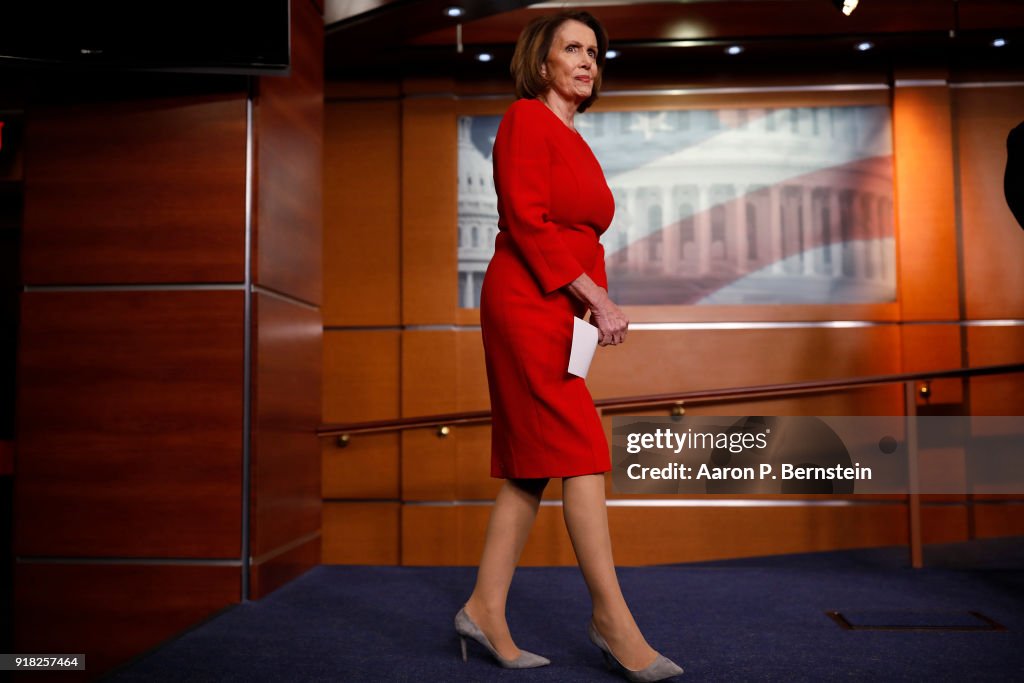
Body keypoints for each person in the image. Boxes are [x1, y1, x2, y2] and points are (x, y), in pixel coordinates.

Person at [453, 11, 684, 682]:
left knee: (533, 463)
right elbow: (526, 221)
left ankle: (484, 608)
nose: (587, 59)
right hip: (525, 300)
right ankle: (611, 617)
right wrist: (599, 298)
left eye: (594, 51)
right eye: (573, 49)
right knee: (581, 446)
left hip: (563, 306)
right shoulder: (525, 119)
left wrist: (588, 311)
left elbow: (585, 234)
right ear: (543, 61)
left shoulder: (574, 136)